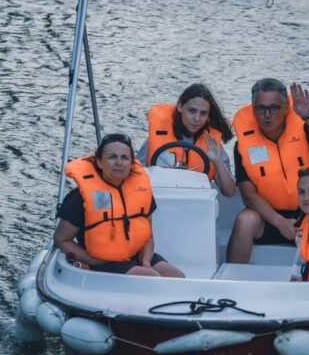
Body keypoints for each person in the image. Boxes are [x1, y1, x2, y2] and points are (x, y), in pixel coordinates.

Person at [226, 78, 309, 263]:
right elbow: (248, 195)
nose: (267, 114)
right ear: (253, 109)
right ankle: (233, 282)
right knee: (245, 220)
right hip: (268, 217)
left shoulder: (305, 129)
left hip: (308, 213)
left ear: (285, 108)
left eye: (274, 108)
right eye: (260, 108)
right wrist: (279, 222)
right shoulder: (243, 145)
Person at [53, 133, 184, 277]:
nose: (119, 163)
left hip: (138, 256)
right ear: (99, 162)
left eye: (124, 157)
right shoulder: (80, 198)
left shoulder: (142, 191)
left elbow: (148, 237)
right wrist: (92, 261)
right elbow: (61, 239)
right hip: (104, 263)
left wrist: (146, 260)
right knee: (151, 278)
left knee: (177, 276)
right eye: (112, 157)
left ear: (131, 163)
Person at [141, 83, 236, 197]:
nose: (197, 119)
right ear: (180, 107)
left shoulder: (212, 144)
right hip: (162, 201)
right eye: (192, 110)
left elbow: (229, 192)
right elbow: (134, 177)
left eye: (203, 113)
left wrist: (218, 162)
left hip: (196, 204)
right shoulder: (156, 138)